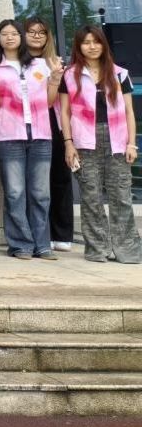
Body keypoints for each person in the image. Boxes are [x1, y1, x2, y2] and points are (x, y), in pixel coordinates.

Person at [0, 18, 62, 260]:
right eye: (4, 34)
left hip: (40, 134)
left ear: (21, 37)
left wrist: (55, 78)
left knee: (41, 193)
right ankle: (20, 245)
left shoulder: (41, 65)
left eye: (14, 33)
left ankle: (42, 244)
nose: (9, 37)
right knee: (15, 193)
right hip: (9, 135)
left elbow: (49, 101)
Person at [60, 25, 140, 264]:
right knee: (91, 197)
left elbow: (129, 111)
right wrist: (68, 144)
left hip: (117, 142)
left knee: (121, 197)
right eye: (86, 42)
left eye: (96, 41)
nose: (92, 46)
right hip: (84, 143)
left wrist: (132, 144)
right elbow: (64, 112)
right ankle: (97, 249)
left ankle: (127, 249)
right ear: (78, 46)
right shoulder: (69, 75)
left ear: (103, 45)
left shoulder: (119, 74)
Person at [24, 17, 74, 252]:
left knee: (59, 178)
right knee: (34, 183)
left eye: (42, 32)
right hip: (29, 125)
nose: (36, 36)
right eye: (32, 31)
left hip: (55, 123)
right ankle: (39, 234)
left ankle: (61, 234)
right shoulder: (18, 64)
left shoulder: (57, 63)